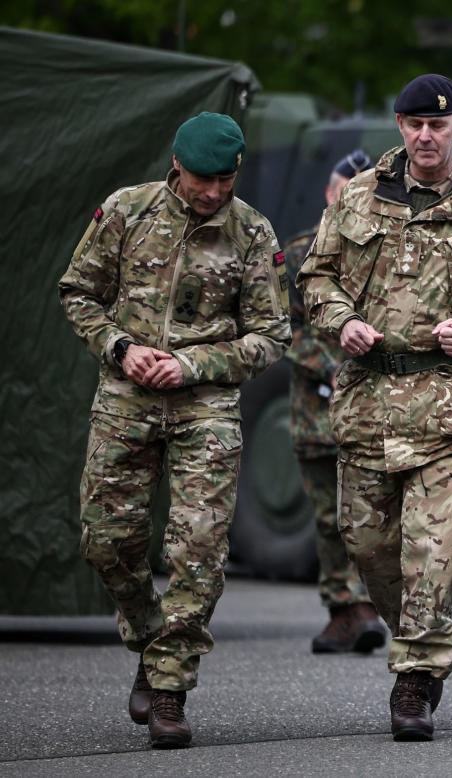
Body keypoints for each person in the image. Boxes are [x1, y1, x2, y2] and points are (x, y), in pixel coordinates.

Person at [297, 74, 452, 742]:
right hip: (370, 409)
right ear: (398, 125)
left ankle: (415, 676)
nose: (425, 136)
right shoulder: (356, 199)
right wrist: (340, 320)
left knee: (436, 554)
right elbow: (315, 277)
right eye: (413, 124)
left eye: (437, 125)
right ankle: (422, 629)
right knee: (371, 548)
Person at [59, 112, 291, 749]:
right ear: (175, 166)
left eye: (224, 179)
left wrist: (194, 363)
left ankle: (169, 687)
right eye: (200, 180)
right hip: (125, 398)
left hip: (205, 407)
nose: (213, 192)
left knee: (198, 550)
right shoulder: (126, 212)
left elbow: (272, 335)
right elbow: (79, 292)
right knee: (106, 542)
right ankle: (147, 633)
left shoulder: (251, 234)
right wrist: (118, 348)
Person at [283, 150, 387, 654]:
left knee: (372, 515)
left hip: (374, 409)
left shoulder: (385, 248)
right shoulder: (301, 252)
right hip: (318, 412)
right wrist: (330, 365)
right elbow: (281, 328)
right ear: (330, 194)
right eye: (345, 190)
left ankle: (367, 604)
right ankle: (342, 608)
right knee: (329, 517)